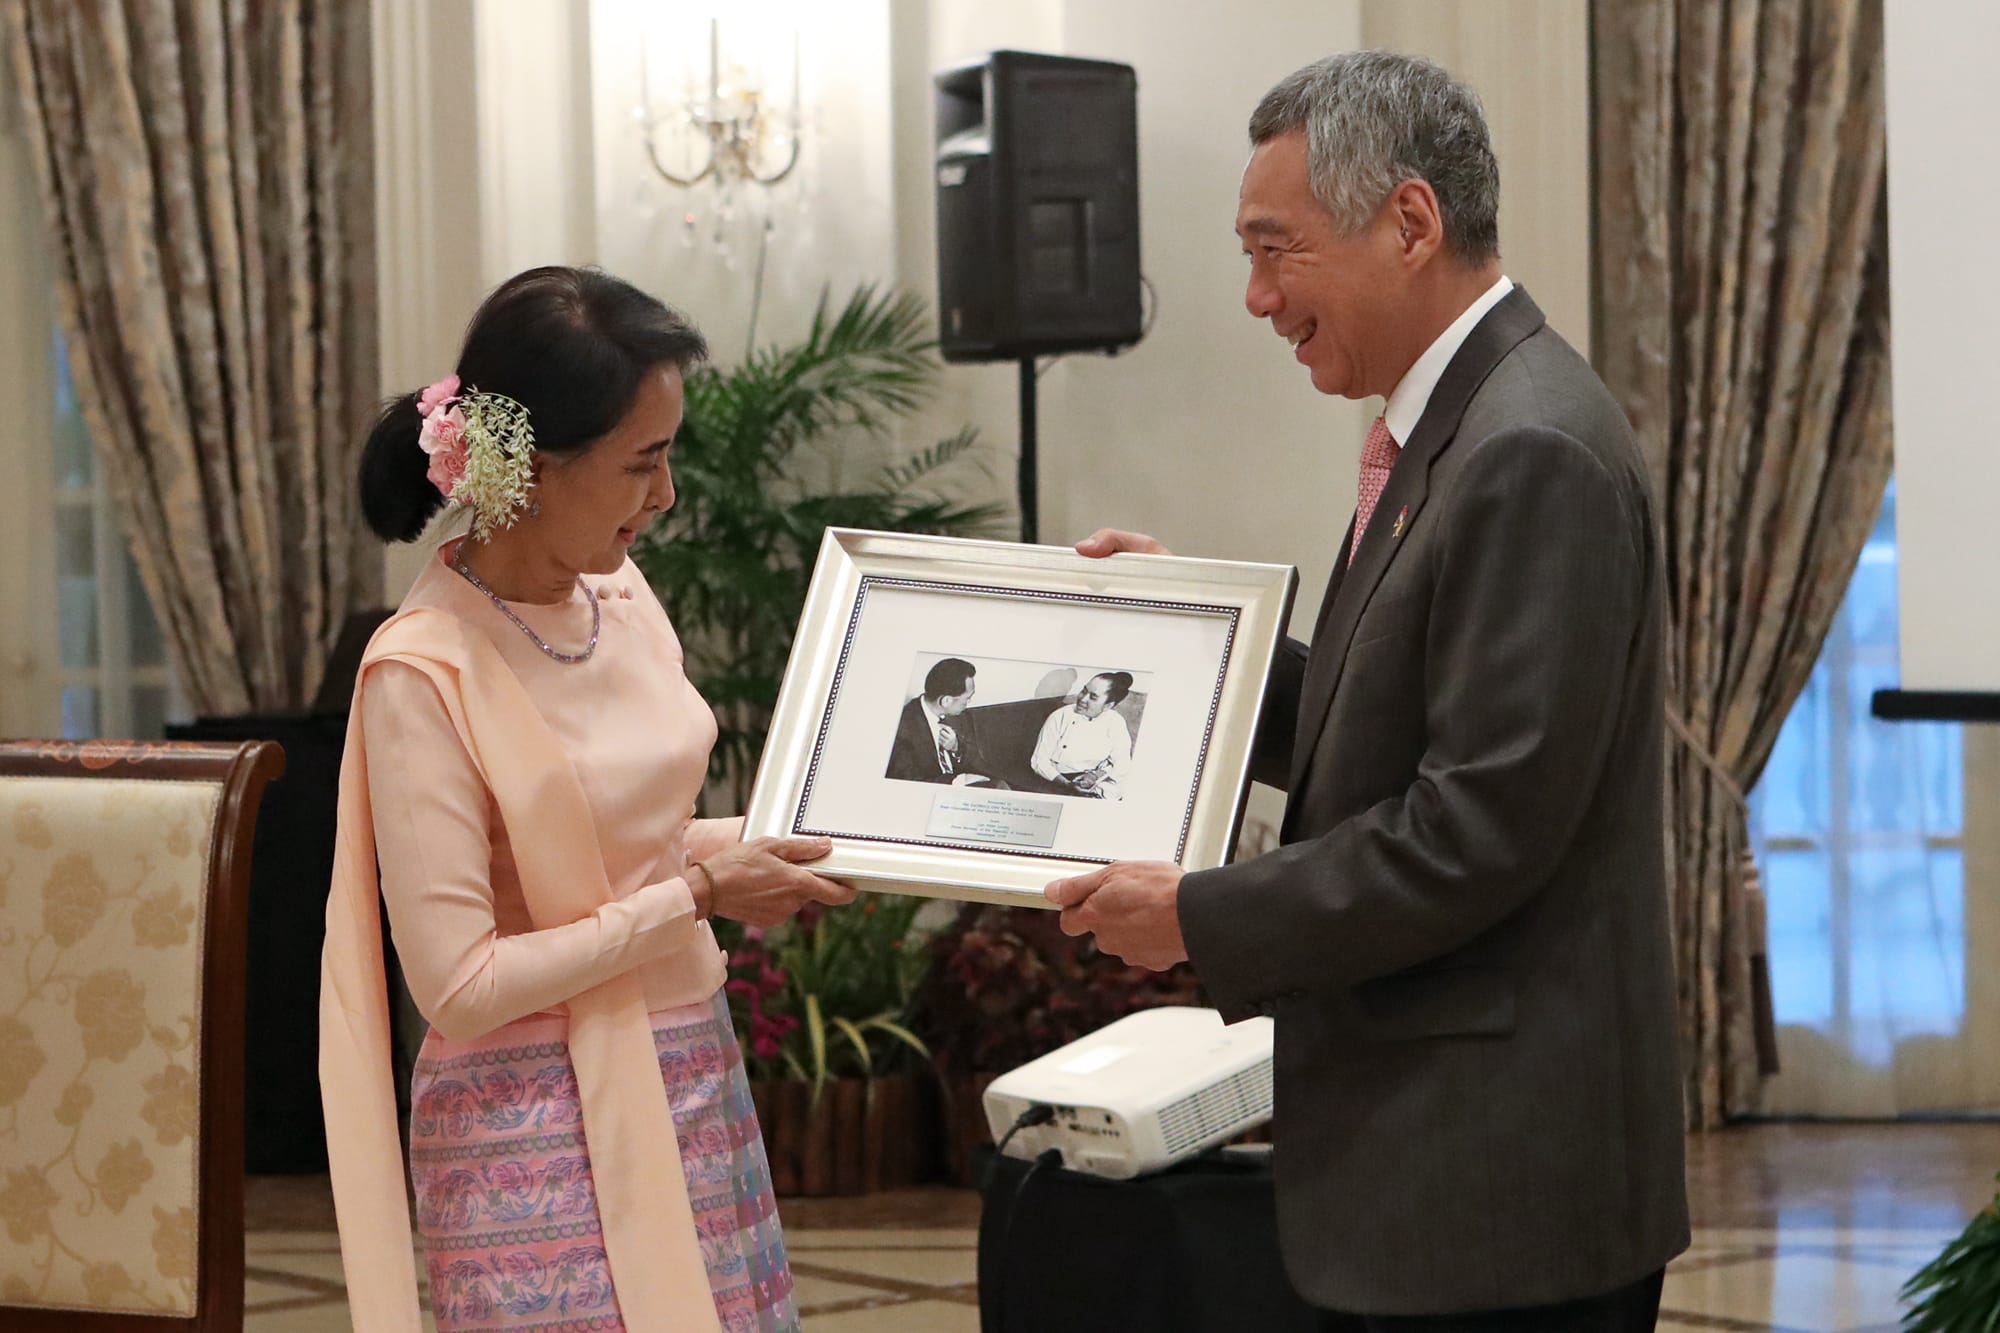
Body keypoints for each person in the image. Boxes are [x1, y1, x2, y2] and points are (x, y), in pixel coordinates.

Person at [1046, 52, 1688, 1332]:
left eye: (1275, 250)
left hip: (1493, 1189)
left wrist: (1201, 916)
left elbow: (1478, 828)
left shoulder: (1528, 448)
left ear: (1408, 221)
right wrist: (1203, 652)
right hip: (1437, 1168)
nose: (1253, 297)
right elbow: (1384, 721)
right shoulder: (1456, 421)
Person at [322, 265, 853, 1333]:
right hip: (527, 1128)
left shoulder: (619, 590)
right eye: (640, 464)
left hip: (688, 1068)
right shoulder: (422, 671)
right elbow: (463, 984)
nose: (664, 497)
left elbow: (629, 839)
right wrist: (698, 893)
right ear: (526, 468)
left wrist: (785, 843)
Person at [884, 656, 1003, 785]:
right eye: (967, 698)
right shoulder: (902, 729)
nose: (969, 703)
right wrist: (958, 781)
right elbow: (907, 783)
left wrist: (955, 748)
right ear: (946, 701)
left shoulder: (958, 716)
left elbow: (974, 756)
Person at [1029, 671, 1134, 799]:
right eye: (1084, 691)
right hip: (1056, 778)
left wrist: (1095, 776)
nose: (1083, 699)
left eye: (1093, 697)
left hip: (1092, 779)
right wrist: (1067, 784)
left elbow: (1122, 762)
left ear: (1108, 705)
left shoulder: (1115, 722)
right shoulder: (1060, 716)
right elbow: (1039, 761)